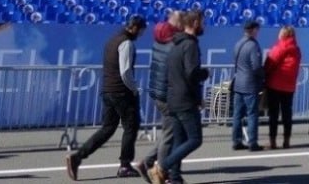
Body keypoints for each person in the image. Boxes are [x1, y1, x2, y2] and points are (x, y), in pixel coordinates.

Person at [67, 14, 146, 180]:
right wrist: (135, 89)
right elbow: (125, 71)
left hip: (108, 90)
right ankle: (125, 165)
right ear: (134, 28)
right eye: (141, 31)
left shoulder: (112, 41)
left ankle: (78, 157)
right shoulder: (126, 43)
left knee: (107, 128)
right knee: (131, 127)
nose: (141, 35)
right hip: (122, 92)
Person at [151, 11, 208, 184]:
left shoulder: (175, 44)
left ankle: (175, 177)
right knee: (195, 139)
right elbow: (192, 73)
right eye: (203, 22)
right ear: (196, 23)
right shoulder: (190, 45)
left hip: (173, 98)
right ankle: (162, 167)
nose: (204, 26)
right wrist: (205, 73)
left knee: (179, 139)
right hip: (185, 99)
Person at [139, 10, 180, 182]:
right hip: (167, 94)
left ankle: (148, 162)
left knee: (169, 132)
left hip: (158, 91)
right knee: (170, 135)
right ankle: (161, 170)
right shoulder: (172, 47)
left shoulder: (158, 43)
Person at [264, 25, 301, 150]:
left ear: (283, 34)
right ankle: (286, 140)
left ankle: (272, 141)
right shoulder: (296, 49)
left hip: (275, 84)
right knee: (287, 114)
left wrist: (265, 74)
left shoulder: (280, 47)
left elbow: (270, 62)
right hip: (289, 86)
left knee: (273, 114)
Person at [231, 19, 265, 151]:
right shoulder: (253, 46)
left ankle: (236, 140)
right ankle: (252, 142)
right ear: (254, 30)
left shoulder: (238, 44)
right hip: (249, 84)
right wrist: (263, 77)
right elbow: (256, 66)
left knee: (237, 114)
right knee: (252, 114)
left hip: (238, 83)